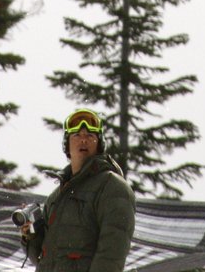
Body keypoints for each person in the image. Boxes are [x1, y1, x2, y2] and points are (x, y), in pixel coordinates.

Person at [20, 108, 135, 272]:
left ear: (99, 144)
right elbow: (43, 259)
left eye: (90, 136)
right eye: (77, 135)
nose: (83, 141)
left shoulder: (112, 187)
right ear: (67, 145)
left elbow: (111, 254)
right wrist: (31, 235)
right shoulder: (57, 197)